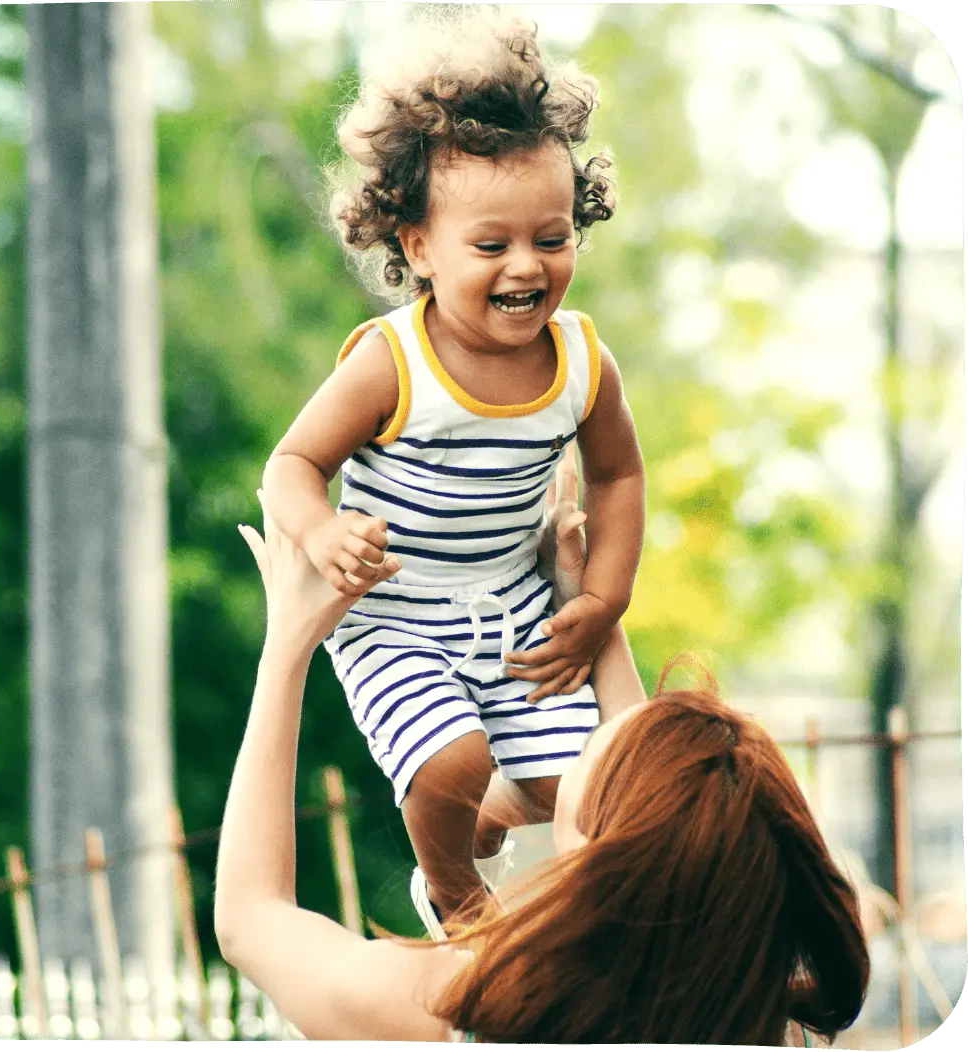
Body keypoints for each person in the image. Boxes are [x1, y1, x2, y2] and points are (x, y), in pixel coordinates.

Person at [215, 490, 870, 1045]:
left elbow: (251, 919)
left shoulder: (476, 1006)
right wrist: (582, 602)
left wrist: (287, 646)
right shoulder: (755, 1019)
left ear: (597, 852)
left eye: (596, 749)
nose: (590, 733)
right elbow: (654, 817)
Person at [259, 6, 645, 935]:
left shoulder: (583, 362)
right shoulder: (392, 363)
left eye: (551, 239)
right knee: (449, 763)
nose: (527, 267)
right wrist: (322, 530)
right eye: (491, 245)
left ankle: (489, 818)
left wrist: (601, 602)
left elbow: (621, 479)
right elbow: (291, 464)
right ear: (417, 246)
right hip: (394, 612)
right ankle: (456, 900)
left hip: (512, 602)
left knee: (573, 785)